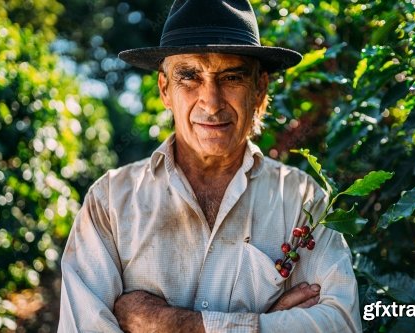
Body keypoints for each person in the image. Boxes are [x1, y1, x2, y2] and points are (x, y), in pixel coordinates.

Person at [57, 0, 362, 332]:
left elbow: (341, 324)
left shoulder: (303, 201)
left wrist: (174, 324)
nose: (212, 102)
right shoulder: (110, 203)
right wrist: (267, 322)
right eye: (189, 76)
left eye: (232, 77)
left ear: (259, 89)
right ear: (165, 89)